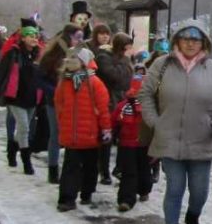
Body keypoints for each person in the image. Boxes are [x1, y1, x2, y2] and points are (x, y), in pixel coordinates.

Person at [139, 21, 212, 224]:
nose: (191, 42)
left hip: (202, 140)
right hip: (169, 140)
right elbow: (146, 95)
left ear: (204, 42)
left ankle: (193, 217)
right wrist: (154, 122)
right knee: (174, 189)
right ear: (177, 41)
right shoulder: (162, 66)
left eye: (196, 38)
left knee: (199, 192)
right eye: (185, 38)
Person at [54, 47, 110, 211]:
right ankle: (67, 198)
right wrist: (62, 120)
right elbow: (58, 102)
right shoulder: (65, 81)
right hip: (72, 135)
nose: (69, 62)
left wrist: (106, 128)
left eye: (74, 59)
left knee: (90, 167)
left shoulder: (95, 83)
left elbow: (103, 108)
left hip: (90, 135)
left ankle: (87, 192)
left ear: (83, 63)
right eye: (69, 59)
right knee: (70, 168)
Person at [37, 24, 85, 184]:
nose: (79, 41)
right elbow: (40, 78)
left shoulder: (82, 54)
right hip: (54, 101)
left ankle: (70, 170)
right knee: (56, 134)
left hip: (76, 101)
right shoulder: (53, 56)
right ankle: (53, 169)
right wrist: (55, 90)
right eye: (77, 37)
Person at [0, 25, 42, 174]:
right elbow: (0, 73)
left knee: (23, 130)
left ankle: (12, 150)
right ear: (23, 38)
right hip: (15, 97)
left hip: (32, 97)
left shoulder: (38, 55)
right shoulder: (13, 54)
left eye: (35, 36)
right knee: (24, 128)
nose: (34, 39)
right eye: (30, 36)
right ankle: (27, 163)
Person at [95, 32, 134, 185]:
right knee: (107, 138)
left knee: (123, 137)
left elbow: (127, 80)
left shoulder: (124, 60)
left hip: (122, 101)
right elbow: (113, 76)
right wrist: (124, 66)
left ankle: (119, 168)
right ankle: (103, 171)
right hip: (109, 101)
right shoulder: (104, 57)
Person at [112, 74, 153, 212]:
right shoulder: (124, 107)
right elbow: (115, 122)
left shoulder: (150, 108)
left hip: (143, 145)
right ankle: (126, 200)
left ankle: (143, 190)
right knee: (130, 172)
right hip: (127, 144)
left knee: (143, 170)